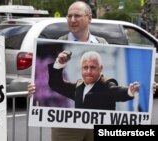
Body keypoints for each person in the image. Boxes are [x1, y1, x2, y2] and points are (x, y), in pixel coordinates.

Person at [28, 1, 107, 141]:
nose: (72, 20)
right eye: (69, 16)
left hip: (97, 122)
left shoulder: (103, 43)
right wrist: (34, 89)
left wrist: (147, 86)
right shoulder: (56, 45)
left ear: (89, 18)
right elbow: (52, 83)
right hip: (66, 125)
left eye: (77, 15)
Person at [48, 50, 139, 110]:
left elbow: (118, 92)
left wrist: (129, 91)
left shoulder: (107, 86)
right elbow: (56, 85)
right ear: (81, 69)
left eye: (93, 67)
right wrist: (59, 63)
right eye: (85, 67)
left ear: (101, 68)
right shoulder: (78, 87)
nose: (88, 71)